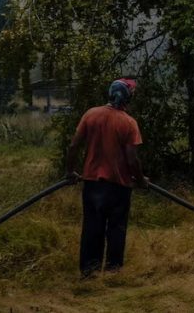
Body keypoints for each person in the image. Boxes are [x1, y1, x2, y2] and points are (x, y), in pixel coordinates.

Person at [65, 78, 148, 276]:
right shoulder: (129, 123)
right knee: (116, 230)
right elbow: (132, 160)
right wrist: (141, 179)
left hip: (92, 184)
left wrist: (70, 171)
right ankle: (113, 272)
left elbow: (74, 146)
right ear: (128, 98)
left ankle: (89, 273)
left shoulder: (91, 114)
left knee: (92, 229)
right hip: (119, 187)